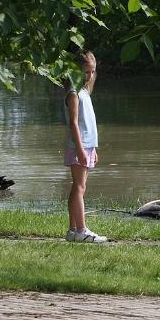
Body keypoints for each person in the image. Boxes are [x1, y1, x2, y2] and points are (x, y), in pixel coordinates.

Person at [63, 50, 107, 243]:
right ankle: (81, 230)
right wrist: (81, 149)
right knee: (79, 187)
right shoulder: (73, 93)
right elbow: (73, 123)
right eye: (85, 71)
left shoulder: (85, 92)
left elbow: (88, 123)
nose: (89, 76)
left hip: (87, 146)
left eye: (92, 72)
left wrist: (93, 148)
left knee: (79, 187)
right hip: (78, 146)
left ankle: (73, 230)